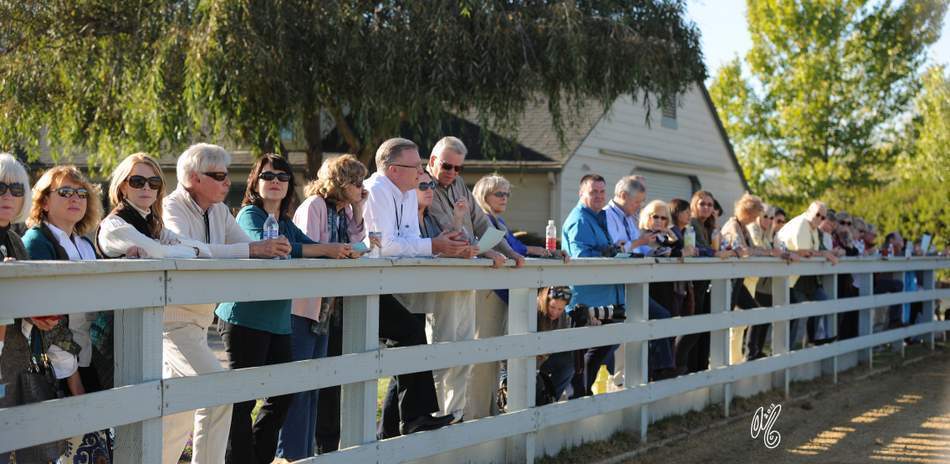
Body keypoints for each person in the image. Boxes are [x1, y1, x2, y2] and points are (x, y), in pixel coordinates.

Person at [215, 154, 356, 464]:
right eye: (267, 176)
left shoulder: (286, 223)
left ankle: (257, 456)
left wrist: (335, 250)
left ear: (290, 184)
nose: (275, 181)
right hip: (245, 318)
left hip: (279, 322)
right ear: (255, 182)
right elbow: (268, 248)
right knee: (242, 400)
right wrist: (318, 248)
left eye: (282, 176)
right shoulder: (250, 215)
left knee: (283, 394)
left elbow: (303, 246)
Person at [161, 143, 291, 464]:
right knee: (219, 394)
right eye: (218, 176)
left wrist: (274, 248)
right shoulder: (172, 205)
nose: (226, 182)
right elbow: (188, 249)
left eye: (226, 175)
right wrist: (253, 250)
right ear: (194, 178)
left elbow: (250, 248)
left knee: (177, 414)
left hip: (199, 321)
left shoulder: (219, 210)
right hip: (170, 323)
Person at [361, 137, 468, 437]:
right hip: (365, 284)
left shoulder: (408, 193)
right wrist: (434, 245)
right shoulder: (375, 190)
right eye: (416, 166)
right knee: (409, 335)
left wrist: (441, 245)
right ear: (394, 170)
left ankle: (402, 424)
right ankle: (410, 419)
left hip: (395, 283)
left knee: (410, 337)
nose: (422, 172)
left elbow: (410, 241)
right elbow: (385, 245)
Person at [424, 138, 525, 420]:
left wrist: (509, 252)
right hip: (441, 279)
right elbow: (447, 229)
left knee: (464, 352)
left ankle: (456, 415)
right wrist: (487, 251)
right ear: (432, 161)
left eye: (458, 168)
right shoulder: (423, 186)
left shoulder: (458, 186)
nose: (452, 173)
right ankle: (439, 416)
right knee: (441, 351)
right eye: (447, 166)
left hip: (467, 277)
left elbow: (481, 222)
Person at [277, 154, 370, 459]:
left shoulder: (345, 212)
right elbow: (307, 249)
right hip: (302, 308)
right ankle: (289, 453)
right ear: (341, 182)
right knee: (298, 386)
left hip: (325, 310)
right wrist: (339, 252)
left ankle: (305, 452)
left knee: (315, 385)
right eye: (356, 182)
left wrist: (359, 210)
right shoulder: (314, 207)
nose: (362, 188)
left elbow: (359, 243)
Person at [22, 165, 115, 461]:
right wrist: (74, 379)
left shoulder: (84, 244)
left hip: (87, 358)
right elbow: (47, 318)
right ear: (44, 202)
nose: (75, 198)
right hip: (55, 367)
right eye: (64, 192)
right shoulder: (37, 242)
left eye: (81, 193)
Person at [378, 171, 479, 436]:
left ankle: (396, 428)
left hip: (421, 297)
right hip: (403, 296)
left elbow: (448, 244)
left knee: (408, 367)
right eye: (422, 184)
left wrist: (458, 221)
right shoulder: (404, 218)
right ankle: (388, 431)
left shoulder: (429, 220)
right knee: (404, 367)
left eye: (430, 184)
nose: (428, 189)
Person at [561, 174, 625, 397]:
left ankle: (582, 393)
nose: (599, 196)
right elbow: (580, 257)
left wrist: (612, 250)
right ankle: (579, 396)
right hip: (587, 298)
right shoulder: (580, 219)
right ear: (581, 193)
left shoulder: (597, 217)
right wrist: (606, 252)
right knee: (589, 352)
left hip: (604, 296)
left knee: (600, 348)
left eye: (602, 191)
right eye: (593, 191)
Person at [97, 153, 210, 259]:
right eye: (137, 181)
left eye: (154, 182)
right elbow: (159, 252)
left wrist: (193, 249)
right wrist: (193, 251)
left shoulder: (154, 225)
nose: (146, 187)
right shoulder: (113, 226)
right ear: (123, 187)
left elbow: (205, 250)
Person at [776, 201, 838, 347]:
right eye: (817, 215)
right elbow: (805, 252)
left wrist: (824, 253)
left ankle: (814, 340)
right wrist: (825, 254)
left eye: (823, 217)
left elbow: (812, 251)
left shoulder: (813, 228)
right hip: (789, 276)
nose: (819, 219)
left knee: (822, 301)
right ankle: (786, 350)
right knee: (793, 315)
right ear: (809, 212)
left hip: (802, 275)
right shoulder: (802, 223)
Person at [472, 174, 567, 260]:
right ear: (483, 197)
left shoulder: (498, 222)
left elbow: (513, 245)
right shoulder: (482, 222)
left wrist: (550, 252)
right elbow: (504, 249)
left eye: (507, 194)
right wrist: (532, 250)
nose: (504, 198)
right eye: (499, 194)